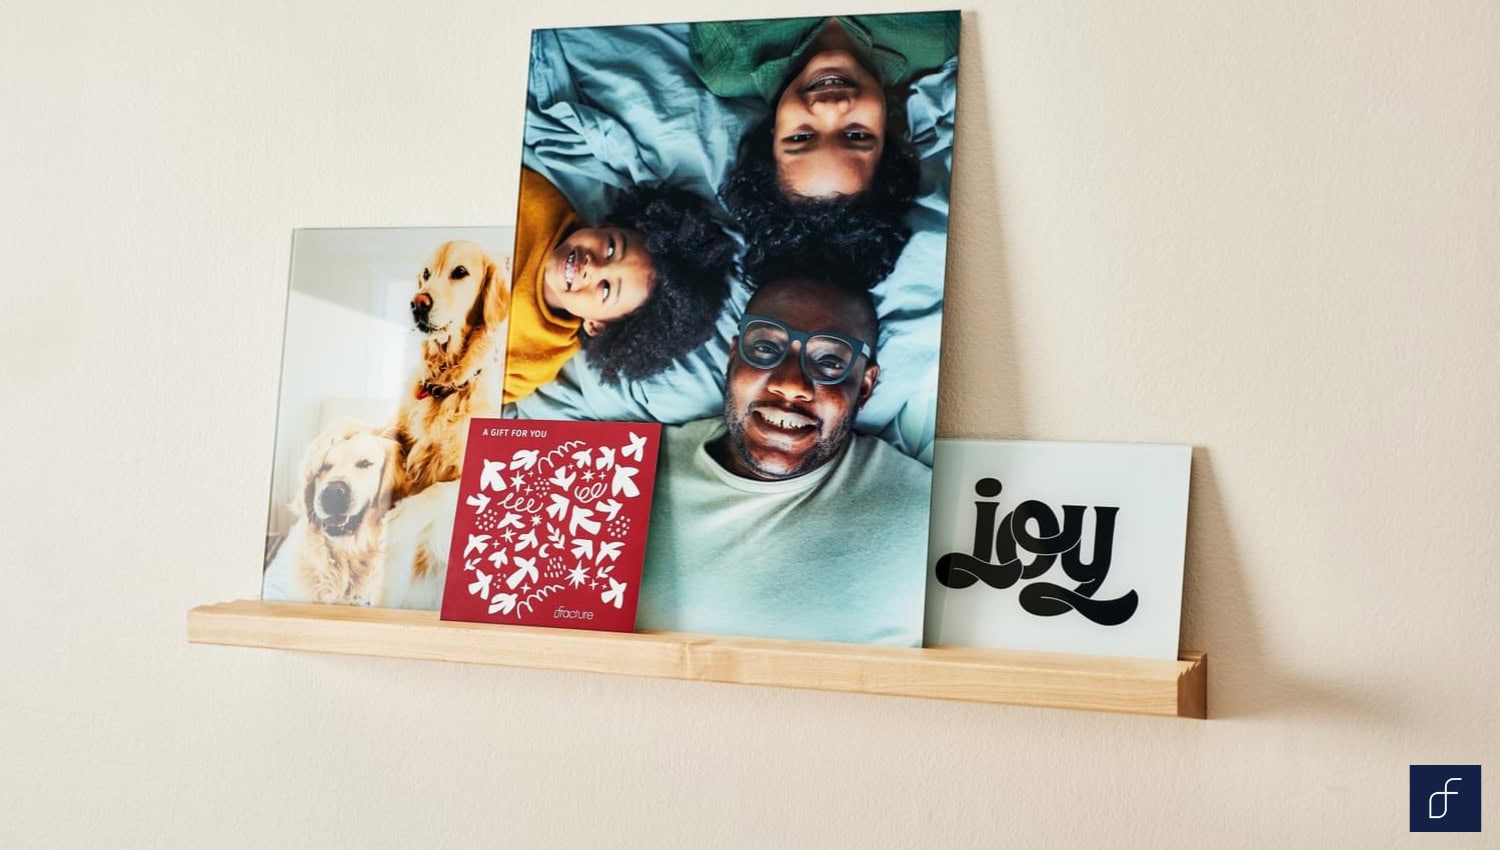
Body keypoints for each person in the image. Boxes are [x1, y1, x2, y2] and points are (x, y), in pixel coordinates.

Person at [636, 274, 932, 646]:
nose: (791, 384)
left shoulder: (931, 517)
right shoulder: (617, 475)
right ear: (732, 360)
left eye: (828, 360)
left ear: (866, 387)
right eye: (764, 348)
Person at [698, 13, 959, 287]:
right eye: (856, 135)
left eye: (801, 137)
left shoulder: (727, 59)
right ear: (887, 134)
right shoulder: (936, 37)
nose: (829, 107)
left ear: (772, 133)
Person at [505, 167, 736, 403]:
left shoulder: (540, 358)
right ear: (605, 227)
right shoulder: (538, 201)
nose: (591, 266)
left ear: (597, 327)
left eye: (606, 289)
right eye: (611, 248)